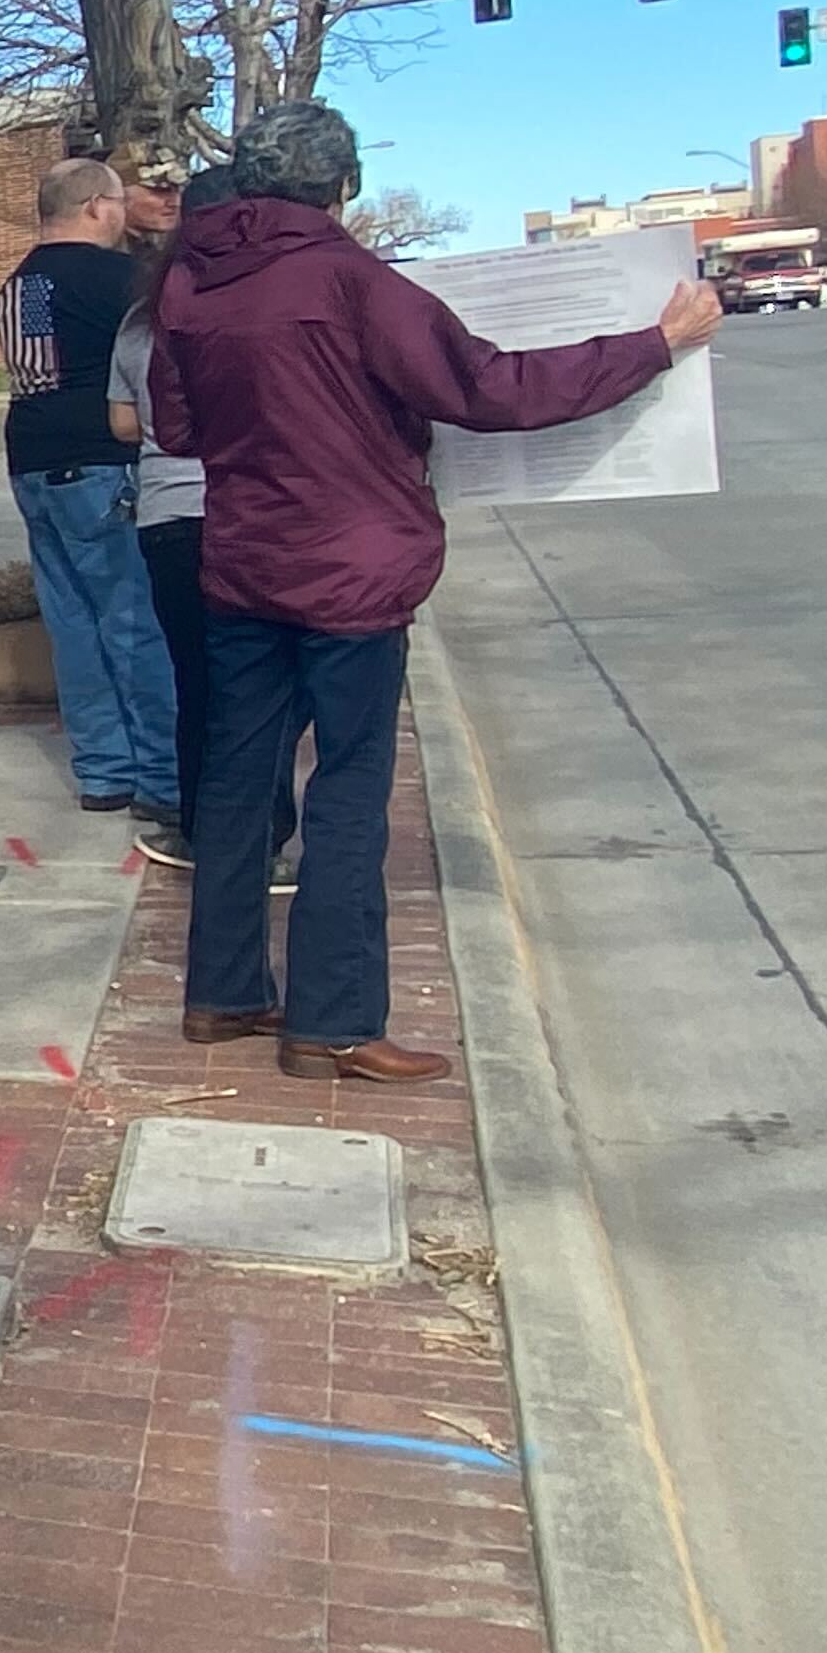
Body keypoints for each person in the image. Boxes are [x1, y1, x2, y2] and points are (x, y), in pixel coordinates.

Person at [158, 102, 721, 1081]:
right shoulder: (352, 279)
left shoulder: (192, 285)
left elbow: (176, 427)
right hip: (353, 574)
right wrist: (652, 346)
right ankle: (332, 1020)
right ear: (341, 187)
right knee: (348, 790)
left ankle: (224, 992)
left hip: (244, 562)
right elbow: (486, 388)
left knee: (237, 784)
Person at [109, 170, 299, 881]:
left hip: (165, 515)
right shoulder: (261, 305)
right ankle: (266, 838)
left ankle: (199, 828)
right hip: (248, 509)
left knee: (196, 680)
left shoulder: (142, 318)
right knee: (266, 683)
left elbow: (122, 422)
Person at [0, 155, 183, 834]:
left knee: (71, 622)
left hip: (30, 459)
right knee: (133, 621)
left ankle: (104, 773)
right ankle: (163, 778)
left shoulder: (18, 284)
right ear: (98, 207)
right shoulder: (122, 280)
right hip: (102, 464)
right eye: (117, 204)